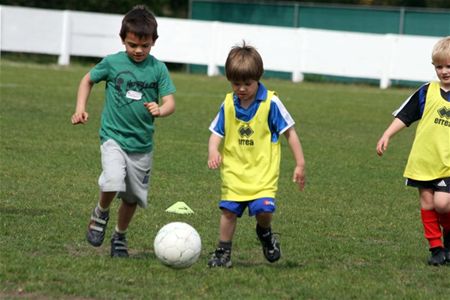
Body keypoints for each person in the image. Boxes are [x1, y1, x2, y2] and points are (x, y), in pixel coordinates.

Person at [71, 5, 176, 258]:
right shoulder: (112, 62)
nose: (138, 51)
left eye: (145, 46)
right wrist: (80, 108)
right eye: (132, 45)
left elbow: (171, 102)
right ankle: (100, 213)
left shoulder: (158, 69)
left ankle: (119, 235)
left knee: (131, 199)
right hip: (113, 138)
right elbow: (87, 79)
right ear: (123, 40)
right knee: (113, 178)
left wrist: (161, 110)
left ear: (153, 42)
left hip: (141, 145)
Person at [207, 42, 306, 267]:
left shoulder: (271, 102)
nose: (241, 89)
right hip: (234, 172)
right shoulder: (228, 104)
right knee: (228, 212)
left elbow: (289, 132)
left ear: (258, 78)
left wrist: (300, 163)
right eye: (236, 83)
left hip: (262, 174)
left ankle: (265, 233)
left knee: (263, 210)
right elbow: (216, 133)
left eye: (247, 84)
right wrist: (213, 150)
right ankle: (223, 252)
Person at [376, 36, 450, 266]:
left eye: (449, 66)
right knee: (427, 205)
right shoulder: (426, 91)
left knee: (443, 204)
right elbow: (405, 115)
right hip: (424, 160)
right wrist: (387, 134)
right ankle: (436, 249)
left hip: (447, 163)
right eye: (439, 66)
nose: (444, 71)